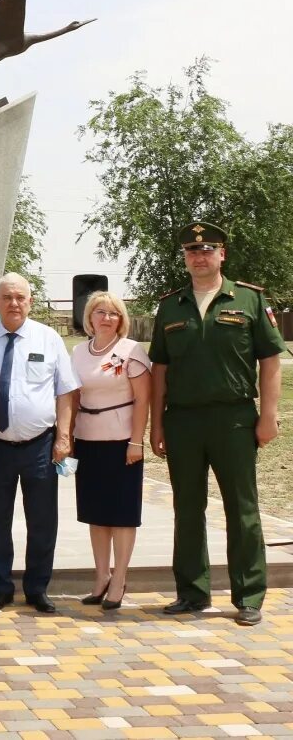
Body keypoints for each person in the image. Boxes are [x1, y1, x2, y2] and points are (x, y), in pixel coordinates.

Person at [149, 221, 285, 627]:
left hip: (234, 419)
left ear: (221, 254)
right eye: (192, 251)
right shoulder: (170, 306)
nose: (199, 256)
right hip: (184, 420)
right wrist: (157, 426)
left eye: (207, 249)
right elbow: (160, 369)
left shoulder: (248, 300)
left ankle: (248, 596)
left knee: (242, 509)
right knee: (187, 508)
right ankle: (192, 592)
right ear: (185, 259)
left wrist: (268, 415)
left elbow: (270, 361)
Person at [0, 273, 79, 614]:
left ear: (30, 302)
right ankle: (0, 587)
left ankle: (37, 588)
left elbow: (65, 390)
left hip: (40, 445)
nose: (14, 303)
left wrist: (64, 437)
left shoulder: (48, 339)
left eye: (20, 297)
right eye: (7, 297)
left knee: (42, 520)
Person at [69, 291, 150, 612]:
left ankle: (119, 579)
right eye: (100, 312)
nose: (106, 318)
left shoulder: (132, 351)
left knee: (121, 514)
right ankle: (101, 576)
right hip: (88, 440)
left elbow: (143, 399)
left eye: (113, 313)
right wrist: (68, 436)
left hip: (122, 442)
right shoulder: (77, 352)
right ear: (89, 318)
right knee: (97, 513)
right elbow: (72, 395)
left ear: (121, 320)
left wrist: (136, 440)